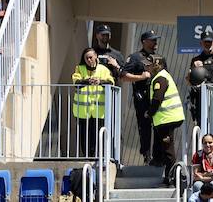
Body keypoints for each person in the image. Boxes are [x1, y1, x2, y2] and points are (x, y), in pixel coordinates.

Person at [123, 30, 160, 164]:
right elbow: (124, 76)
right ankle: (146, 155)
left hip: (157, 98)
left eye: (156, 39)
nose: (155, 42)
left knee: (159, 127)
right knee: (144, 127)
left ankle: (157, 156)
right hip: (142, 99)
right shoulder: (135, 57)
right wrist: (141, 77)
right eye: (152, 40)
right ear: (144, 41)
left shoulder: (159, 58)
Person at [71, 47, 115, 158]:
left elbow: (111, 82)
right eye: (86, 58)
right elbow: (76, 81)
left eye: (90, 57)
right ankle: (87, 156)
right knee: (84, 136)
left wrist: (100, 81)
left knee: (97, 136)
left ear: (96, 56)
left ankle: (96, 157)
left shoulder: (103, 69)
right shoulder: (80, 68)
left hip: (98, 111)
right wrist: (87, 81)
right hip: (83, 111)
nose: (89, 60)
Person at [149, 54, 185, 186]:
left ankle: (172, 178)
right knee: (163, 148)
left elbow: (157, 98)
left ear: (158, 65)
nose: (149, 67)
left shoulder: (160, 78)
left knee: (168, 150)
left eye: (152, 64)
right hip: (166, 118)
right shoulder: (162, 76)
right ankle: (166, 174)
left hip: (167, 118)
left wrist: (150, 112)